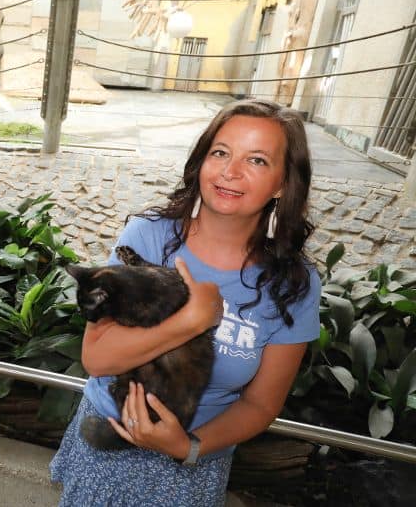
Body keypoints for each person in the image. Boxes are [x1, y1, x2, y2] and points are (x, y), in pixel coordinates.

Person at [50, 98, 321, 506]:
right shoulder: (147, 239)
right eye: (221, 153)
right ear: (201, 161)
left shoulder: (293, 283)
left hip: (195, 462)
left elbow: (261, 404)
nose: (231, 172)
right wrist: (192, 320)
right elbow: (98, 358)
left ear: (283, 183)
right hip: (106, 442)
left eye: (258, 161)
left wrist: (187, 446)